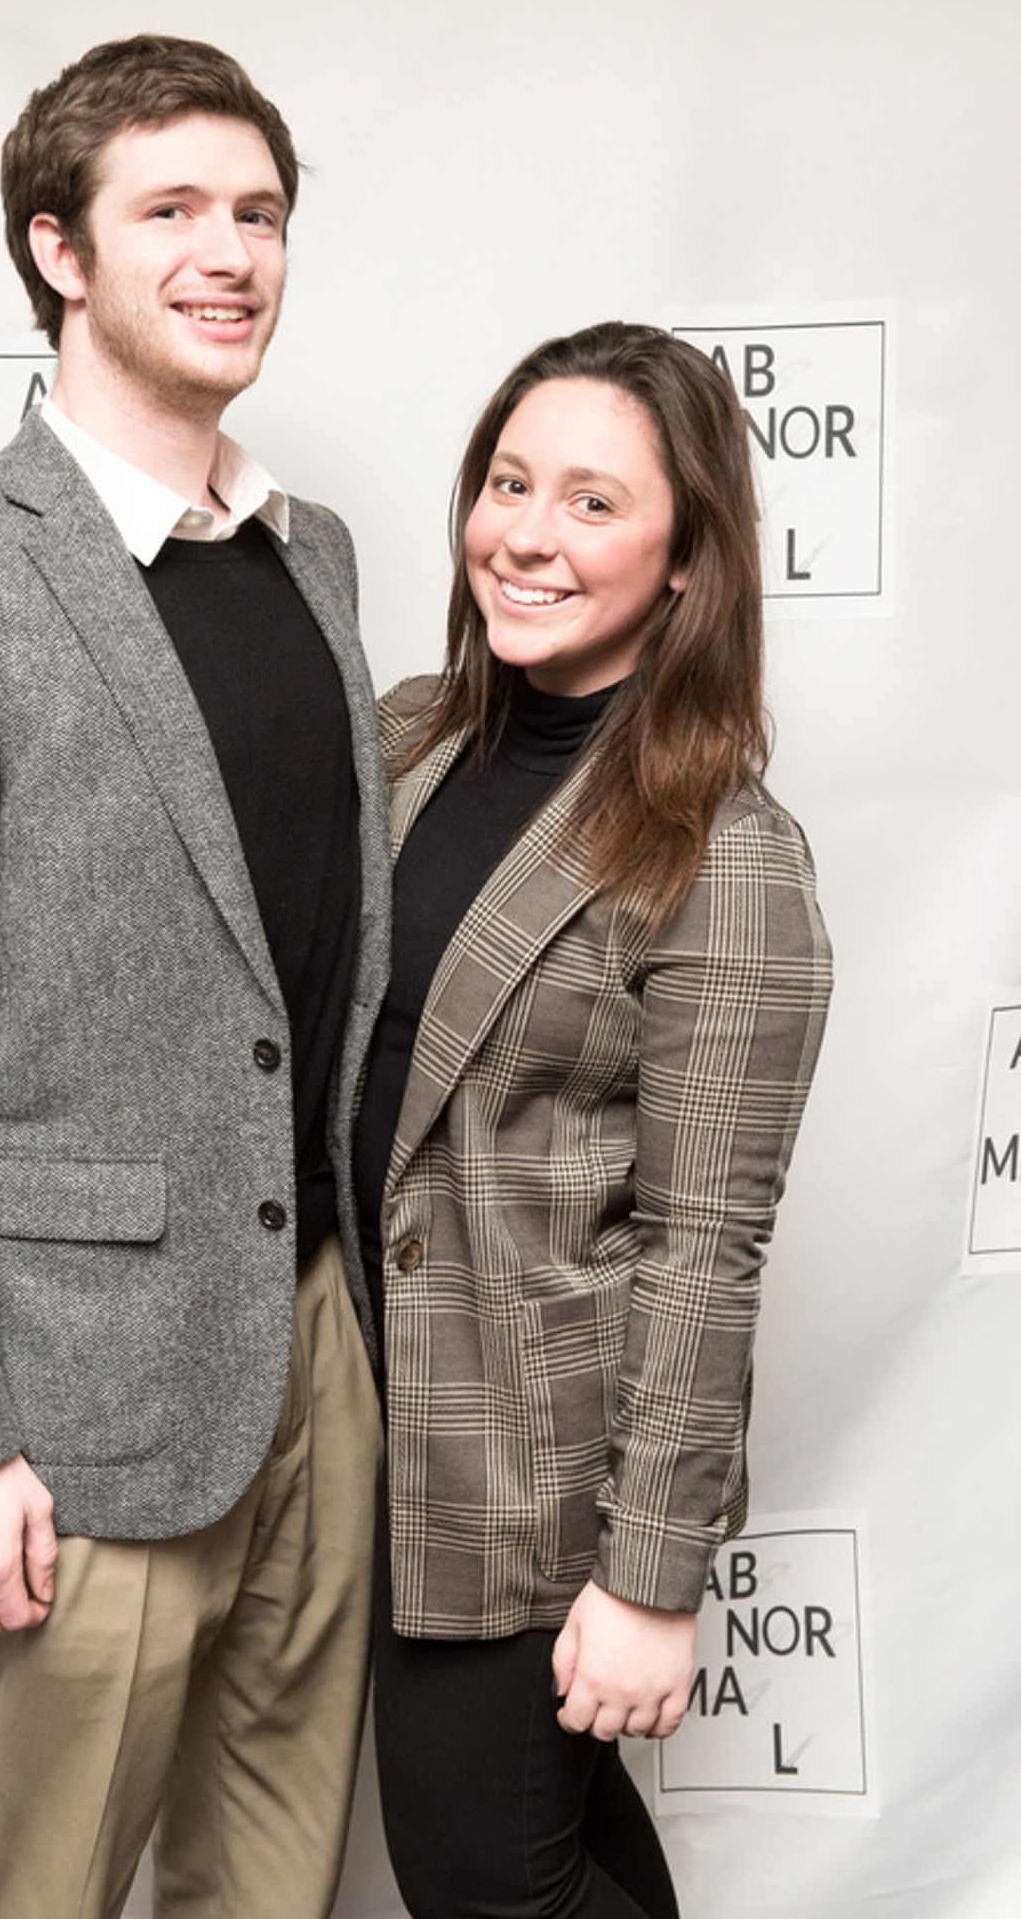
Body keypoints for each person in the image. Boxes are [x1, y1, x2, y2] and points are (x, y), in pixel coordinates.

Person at [0, 34, 389, 1919]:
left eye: (260, 213)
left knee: (275, 1882)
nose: (231, 253)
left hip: (314, 1344)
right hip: (77, 1396)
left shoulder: (320, 560)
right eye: (172, 211)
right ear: (59, 250)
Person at [353, 322, 833, 1918]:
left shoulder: (726, 851)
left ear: (690, 560)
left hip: (527, 1473)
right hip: (359, 1424)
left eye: (593, 502)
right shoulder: (410, 736)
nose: (528, 535)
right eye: (507, 482)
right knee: (557, 1860)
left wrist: (648, 1577)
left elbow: (707, 1252)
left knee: (485, 1874)